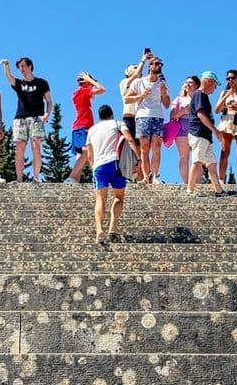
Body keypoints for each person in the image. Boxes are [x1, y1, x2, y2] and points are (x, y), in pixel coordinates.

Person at [85, 104, 139, 245]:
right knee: (119, 197)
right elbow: (129, 139)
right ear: (111, 115)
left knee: (100, 199)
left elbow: (89, 154)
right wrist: (138, 159)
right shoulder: (118, 123)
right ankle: (113, 226)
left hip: (99, 166)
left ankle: (99, 230)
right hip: (116, 164)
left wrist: (93, 168)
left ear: (99, 117)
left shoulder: (92, 130)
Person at [0, 57, 53, 184]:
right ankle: (19, 179)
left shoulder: (42, 83)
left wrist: (47, 115)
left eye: (23, 66)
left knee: (36, 147)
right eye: (19, 67)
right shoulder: (19, 83)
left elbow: (49, 101)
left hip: (36, 119)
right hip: (20, 118)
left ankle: (36, 178)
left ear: (29, 66)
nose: (21, 69)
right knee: (20, 148)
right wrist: (6, 66)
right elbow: (9, 78)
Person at [125, 55, 171, 183]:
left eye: (160, 64)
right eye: (156, 63)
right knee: (144, 148)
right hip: (143, 116)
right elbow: (127, 98)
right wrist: (141, 95)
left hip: (158, 116)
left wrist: (163, 93)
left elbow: (167, 104)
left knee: (157, 147)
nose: (158, 66)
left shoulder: (162, 83)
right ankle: (145, 177)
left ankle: (155, 176)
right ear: (149, 66)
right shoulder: (139, 82)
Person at [187, 71, 225, 196]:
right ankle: (189, 191)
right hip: (198, 133)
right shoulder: (199, 94)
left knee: (212, 163)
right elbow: (200, 114)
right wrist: (215, 130)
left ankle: (219, 191)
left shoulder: (203, 96)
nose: (214, 89)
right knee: (197, 161)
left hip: (205, 136)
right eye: (214, 85)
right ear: (209, 81)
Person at [67, 72, 106, 184]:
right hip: (82, 126)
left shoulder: (80, 93)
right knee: (86, 152)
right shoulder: (83, 91)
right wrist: (90, 79)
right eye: (91, 83)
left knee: (81, 155)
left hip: (81, 127)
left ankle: (75, 180)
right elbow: (102, 89)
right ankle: (72, 177)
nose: (93, 85)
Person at [170, 76, 200, 185]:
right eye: (186, 82)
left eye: (190, 82)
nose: (187, 84)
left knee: (198, 158)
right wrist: (183, 111)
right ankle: (187, 183)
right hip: (182, 127)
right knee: (184, 157)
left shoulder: (201, 98)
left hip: (197, 127)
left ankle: (197, 184)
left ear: (196, 85)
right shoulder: (179, 99)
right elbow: (172, 116)